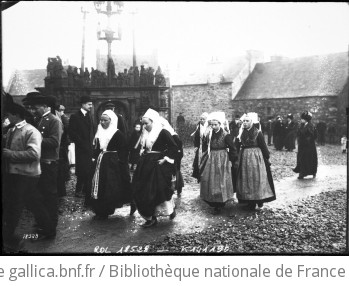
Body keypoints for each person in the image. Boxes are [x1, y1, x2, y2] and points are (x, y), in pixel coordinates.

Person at [2, 103, 54, 251]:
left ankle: (8, 237)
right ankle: (48, 230)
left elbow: (34, 154)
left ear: (16, 115)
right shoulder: (11, 130)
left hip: (27, 175)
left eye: (8, 115)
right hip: (16, 174)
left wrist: (9, 154)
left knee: (15, 205)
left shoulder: (31, 132)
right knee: (33, 203)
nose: (7, 118)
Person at [132, 108, 178, 227]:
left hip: (158, 164)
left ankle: (169, 210)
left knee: (159, 189)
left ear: (153, 122)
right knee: (144, 189)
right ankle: (150, 217)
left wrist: (166, 159)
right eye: (143, 123)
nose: (145, 126)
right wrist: (142, 153)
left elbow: (174, 147)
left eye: (147, 123)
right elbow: (144, 147)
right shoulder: (144, 132)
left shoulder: (162, 132)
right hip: (146, 164)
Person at [26, 93, 63, 239]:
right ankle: (44, 223)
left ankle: (51, 228)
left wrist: (35, 139)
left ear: (45, 106)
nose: (34, 111)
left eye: (36, 108)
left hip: (49, 163)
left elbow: (54, 142)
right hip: (39, 163)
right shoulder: (39, 119)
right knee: (39, 195)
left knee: (50, 196)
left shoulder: (54, 120)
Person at [90, 110, 134, 219]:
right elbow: (97, 146)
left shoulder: (117, 133)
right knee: (100, 185)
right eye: (101, 120)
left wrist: (120, 161)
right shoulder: (99, 130)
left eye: (105, 120)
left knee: (110, 186)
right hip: (101, 161)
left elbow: (124, 149)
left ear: (111, 120)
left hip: (113, 162)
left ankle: (108, 208)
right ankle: (100, 210)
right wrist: (94, 157)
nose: (102, 122)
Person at [199, 112, 238, 214]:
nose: (214, 126)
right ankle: (213, 200)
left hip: (222, 158)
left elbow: (233, 148)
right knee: (211, 178)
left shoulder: (226, 135)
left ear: (220, 124)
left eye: (216, 124)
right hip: (212, 158)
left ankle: (221, 201)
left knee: (221, 179)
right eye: (212, 124)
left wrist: (231, 160)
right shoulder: (209, 134)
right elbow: (204, 144)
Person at [235, 113, 276, 210]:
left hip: (256, 158)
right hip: (244, 157)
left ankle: (259, 199)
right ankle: (249, 200)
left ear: (252, 122)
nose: (245, 123)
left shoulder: (258, 133)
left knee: (257, 178)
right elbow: (237, 145)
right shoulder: (241, 133)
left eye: (247, 121)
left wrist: (266, 156)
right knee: (246, 178)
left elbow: (263, 146)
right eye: (244, 121)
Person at [69, 96, 95, 203]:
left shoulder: (90, 116)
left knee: (88, 169)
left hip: (89, 147)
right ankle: (78, 190)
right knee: (81, 169)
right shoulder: (75, 116)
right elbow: (72, 132)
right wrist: (81, 143)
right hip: (81, 148)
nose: (91, 106)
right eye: (89, 104)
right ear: (83, 104)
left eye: (91, 104)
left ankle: (85, 189)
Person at [160, 116, 184, 197]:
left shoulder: (174, 135)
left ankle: (178, 188)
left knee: (176, 172)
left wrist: (175, 157)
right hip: (167, 155)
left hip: (174, 157)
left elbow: (178, 147)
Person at [292, 111, 318, 179]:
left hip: (309, 146)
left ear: (306, 119)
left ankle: (308, 172)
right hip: (302, 145)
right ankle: (301, 172)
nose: (301, 120)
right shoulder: (302, 125)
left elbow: (313, 135)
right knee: (301, 159)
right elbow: (298, 133)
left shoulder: (311, 126)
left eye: (302, 119)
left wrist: (307, 140)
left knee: (308, 159)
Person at [191, 112, 209, 182]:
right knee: (199, 161)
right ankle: (199, 176)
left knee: (206, 161)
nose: (201, 120)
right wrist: (196, 146)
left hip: (206, 147)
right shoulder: (198, 126)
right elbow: (196, 137)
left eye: (203, 119)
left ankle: (205, 176)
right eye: (201, 119)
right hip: (200, 147)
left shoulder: (209, 127)